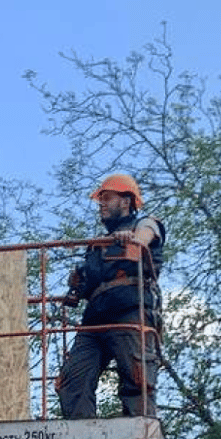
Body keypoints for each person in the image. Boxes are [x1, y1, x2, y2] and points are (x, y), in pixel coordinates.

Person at [57, 173, 164, 419]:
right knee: (73, 380)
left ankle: (140, 429)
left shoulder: (145, 224)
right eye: (100, 200)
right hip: (95, 319)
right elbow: (88, 282)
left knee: (137, 380)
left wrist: (133, 240)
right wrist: (78, 281)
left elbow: (146, 236)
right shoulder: (97, 244)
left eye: (107, 198)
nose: (101, 204)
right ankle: (82, 435)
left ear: (126, 201)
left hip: (129, 312)